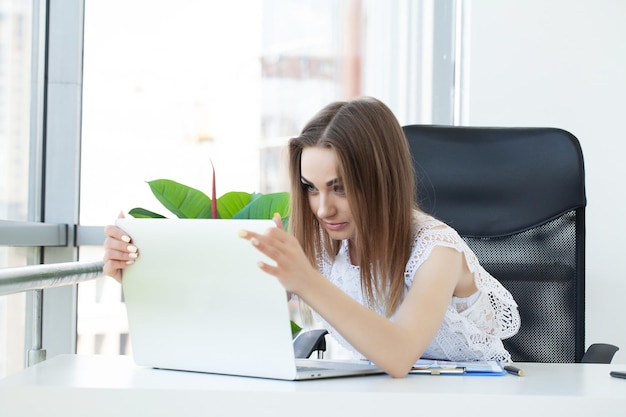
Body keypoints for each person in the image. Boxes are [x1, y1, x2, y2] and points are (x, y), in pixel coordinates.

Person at [103, 97, 520, 378]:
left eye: (340, 187)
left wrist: (305, 280)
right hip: (387, 402)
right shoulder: (326, 244)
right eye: (311, 187)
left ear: (381, 182)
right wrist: (142, 277)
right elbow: (226, 310)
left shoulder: (436, 249)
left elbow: (398, 354)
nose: (323, 209)